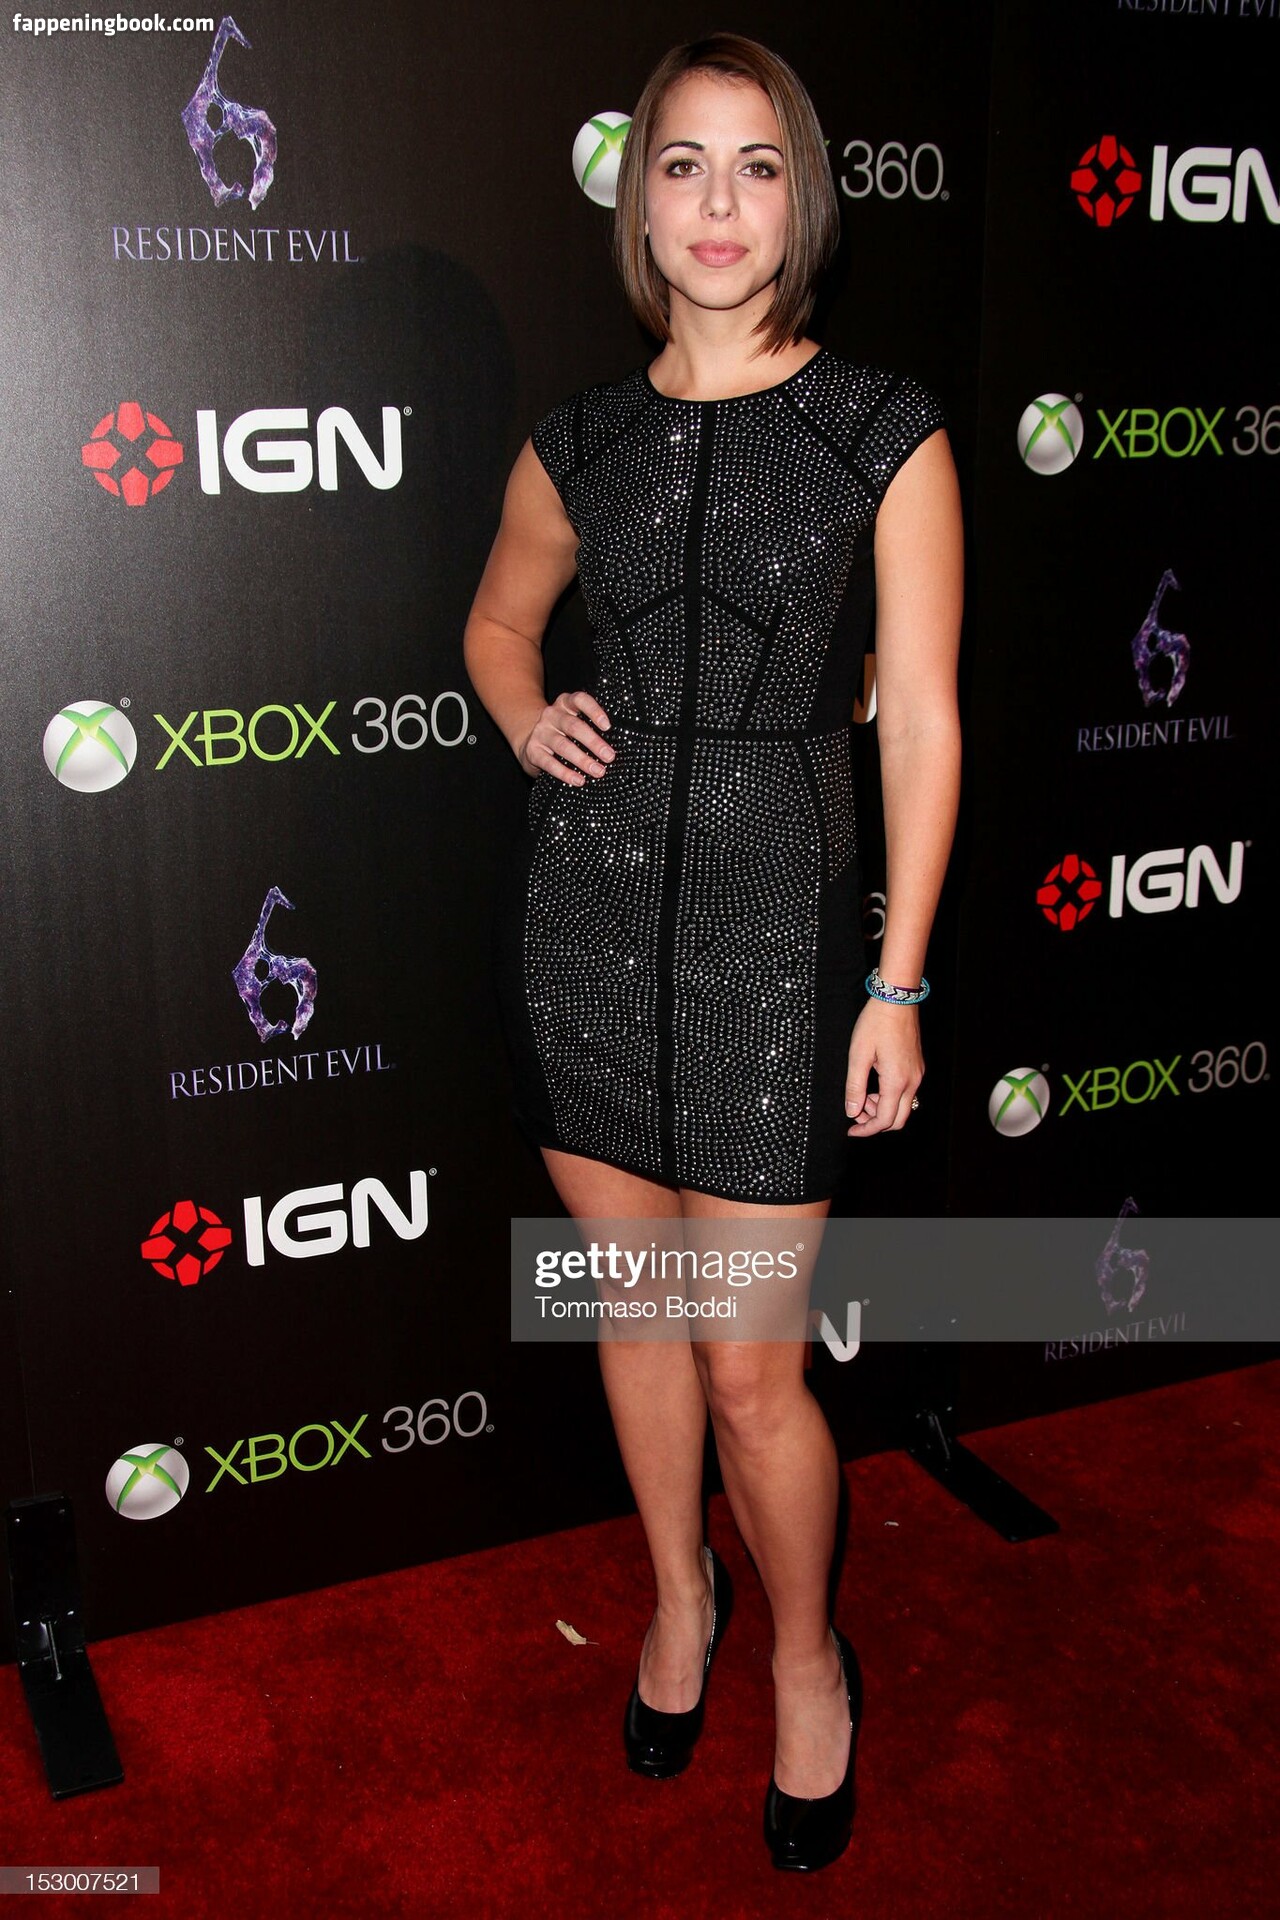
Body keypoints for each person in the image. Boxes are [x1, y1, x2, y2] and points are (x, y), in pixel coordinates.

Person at [464, 32, 962, 1873]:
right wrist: (527, 715)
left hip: (777, 934)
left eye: (757, 165)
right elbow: (495, 625)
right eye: (682, 163)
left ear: (801, 197)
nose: (719, 203)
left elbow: (923, 722)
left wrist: (898, 982)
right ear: (639, 200)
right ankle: (679, 1596)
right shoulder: (578, 440)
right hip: (584, 926)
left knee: (755, 1370)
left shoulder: (881, 426)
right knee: (635, 1309)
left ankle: (808, 1657)